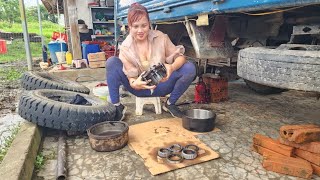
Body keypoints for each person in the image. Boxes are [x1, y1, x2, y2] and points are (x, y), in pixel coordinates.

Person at [106, 3, 196, 121]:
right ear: (129, 27)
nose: (140, 30)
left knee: (190, 68)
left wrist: (172, 67)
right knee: (111, 62)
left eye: (144, 25)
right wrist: (134, 83)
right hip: (138, 89)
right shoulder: (125, 47)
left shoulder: (161, 37)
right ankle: (117, 107)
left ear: (149, 23)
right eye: (135, 26)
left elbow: (181, 57)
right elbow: (131, 78)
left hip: (162, 85)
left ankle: (170, 104)